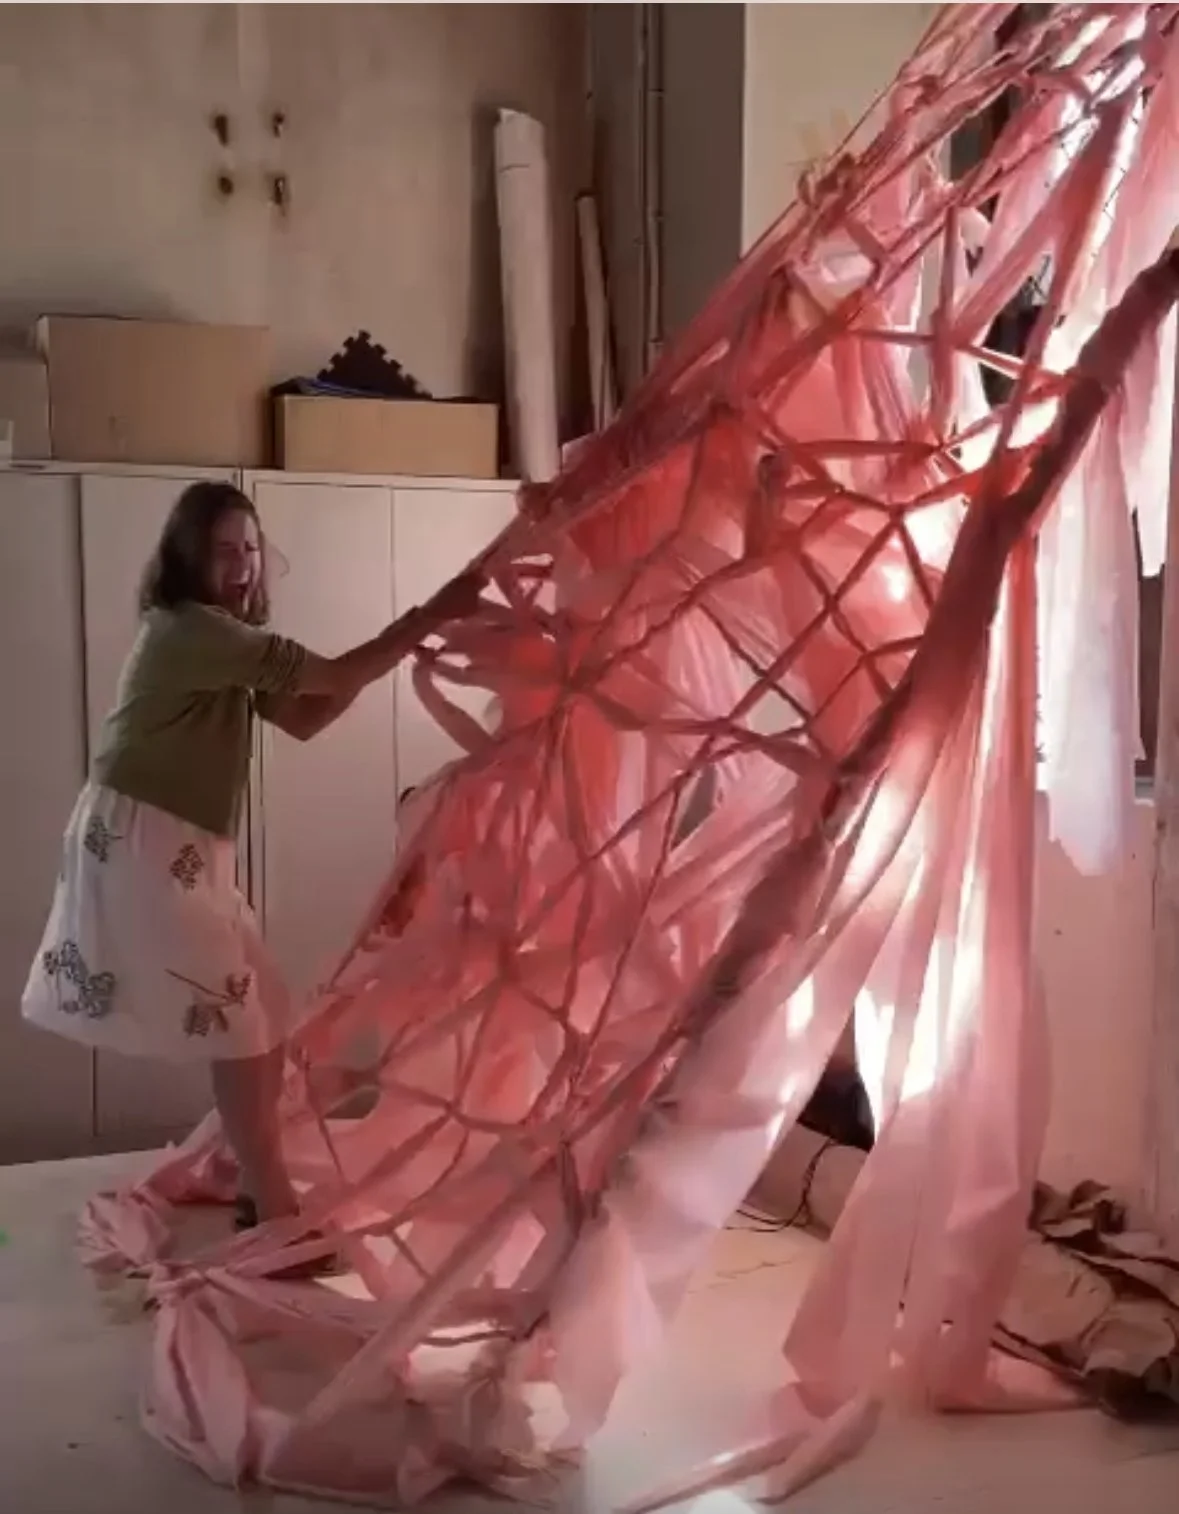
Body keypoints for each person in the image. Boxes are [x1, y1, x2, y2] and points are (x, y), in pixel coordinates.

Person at [21, 480, 482, 1240]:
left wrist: (389, 654)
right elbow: (330, 677)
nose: (241, 565)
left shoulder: (223, 640)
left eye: (250, 549)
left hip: (184, 846)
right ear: (188, 557)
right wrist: (423, 619)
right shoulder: (191, 632)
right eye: (223, 550)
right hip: (144, 839)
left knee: (260, 1008)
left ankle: (250, 1177)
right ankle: (274, 1208)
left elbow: (308, 714)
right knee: (238, 1021)